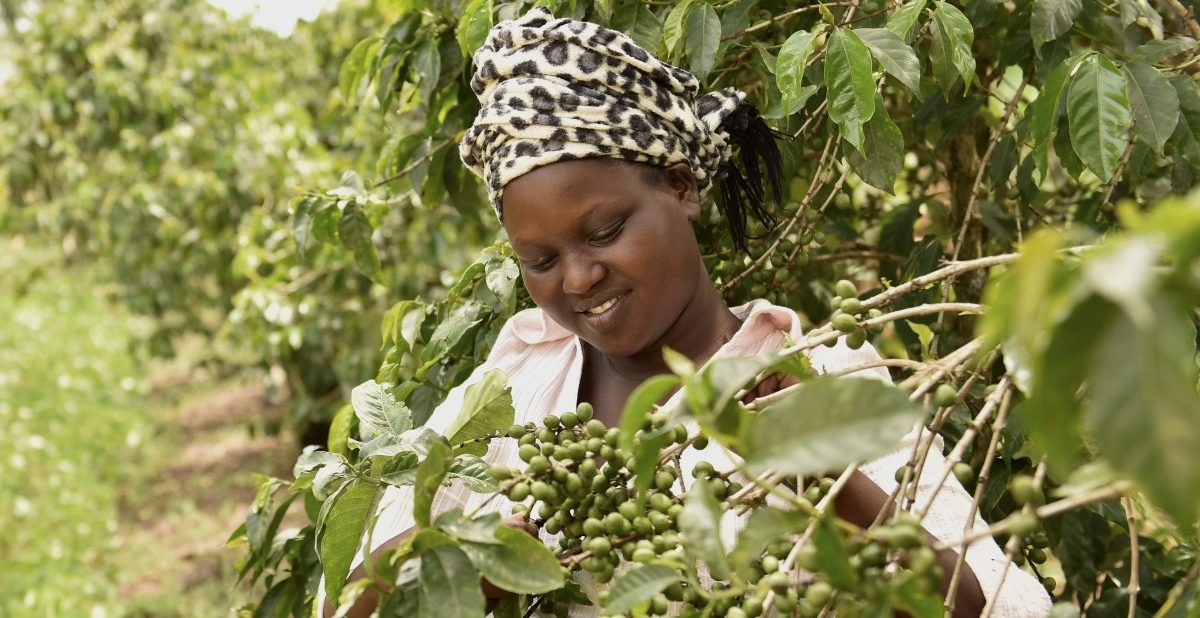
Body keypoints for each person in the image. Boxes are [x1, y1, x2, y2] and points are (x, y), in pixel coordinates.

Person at [320, 8, 1052, 617]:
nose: (578, 277)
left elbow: (996, 605)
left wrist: (825, 479)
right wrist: (459, 559)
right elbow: (348, 600)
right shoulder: (516, 381)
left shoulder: (814, 376)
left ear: (680, 187)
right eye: (539, 261)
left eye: (605, 232)